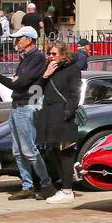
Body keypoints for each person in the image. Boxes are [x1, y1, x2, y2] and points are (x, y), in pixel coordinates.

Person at [0, 27, 54, 200]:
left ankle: (46, 184)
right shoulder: (26, 58)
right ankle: (27, 186)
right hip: (17, 106)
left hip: (26, 105)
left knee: (29, 149)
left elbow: (19, 83)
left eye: (19, 38)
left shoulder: (36, 58)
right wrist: (14, 80)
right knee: (18, 150)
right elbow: (17, 81)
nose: (16, 42)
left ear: (29, 39)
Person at [37, 41, 82, 204]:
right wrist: (45, 74)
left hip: (62, 116)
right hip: (48, 115)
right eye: (49, 53)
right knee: (53, 151)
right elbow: (35, 90)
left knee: (65, 152)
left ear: (63, 54)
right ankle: (64, 186)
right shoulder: (49, 68)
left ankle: (67, 190)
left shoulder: (73, 69)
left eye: (54, 53)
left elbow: (74, 94)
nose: (50, 56)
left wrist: (66, 114)